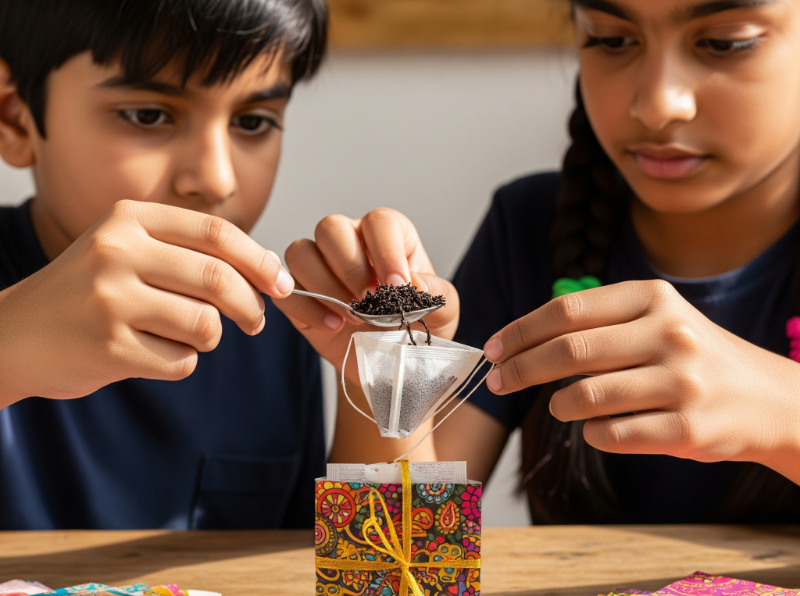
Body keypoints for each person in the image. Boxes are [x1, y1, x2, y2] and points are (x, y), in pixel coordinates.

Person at [277, 0, 800, 524]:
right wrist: (389, 375)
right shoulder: (530, 226)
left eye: (726, 43)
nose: (658, 105)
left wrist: (782, 409)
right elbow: (408, 552)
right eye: (612, 41)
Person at [0, 0, 328, 529]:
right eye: (148, 115)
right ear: (14, 117)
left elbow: (341, 589)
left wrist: (389, 385)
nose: (216, 178)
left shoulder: (282, 327)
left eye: (252, 121)